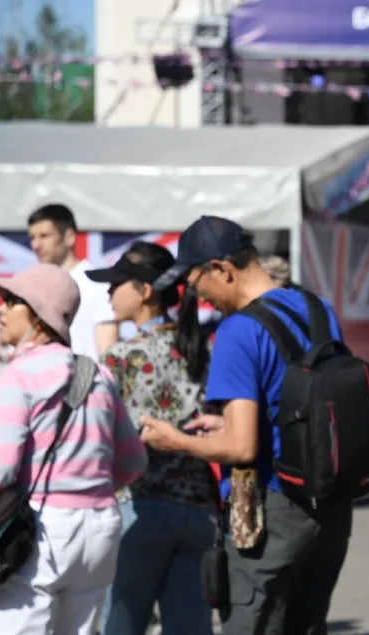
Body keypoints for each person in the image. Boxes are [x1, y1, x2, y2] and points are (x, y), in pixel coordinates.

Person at [135, 216, 353, 635]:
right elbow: (302, 399)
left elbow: (240, 448)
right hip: (329, 507)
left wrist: (176, 440)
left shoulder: (239, 330)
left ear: (222, 269)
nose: (200, 298)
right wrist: (234, 419)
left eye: (197, 285)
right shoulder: (317, 309)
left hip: (272, 513)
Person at [0, 263, 148, 634]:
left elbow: (1, 468)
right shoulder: (98, 374)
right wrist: (89, 487)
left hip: (40, 530)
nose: (2, 310)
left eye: (13, 301)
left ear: (39, 315)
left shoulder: (19, 375)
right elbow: (135, 460)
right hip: (101, 529)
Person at [90, 242, 217, 635]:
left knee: (120, 625)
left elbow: (102, 440)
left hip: (139, 511)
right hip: (200, 512)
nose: (109, 293)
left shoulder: (118, 359)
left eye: (117, 284)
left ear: (145, 291)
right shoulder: (201, 352)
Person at [26, 204, 118, 359]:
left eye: (44, 236)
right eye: (32, 237)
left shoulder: (96, 283)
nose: (36, 245)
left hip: (86, 380)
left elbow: (107, 350)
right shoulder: (33, 286)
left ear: (69, 237)